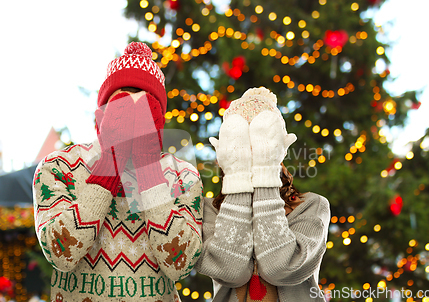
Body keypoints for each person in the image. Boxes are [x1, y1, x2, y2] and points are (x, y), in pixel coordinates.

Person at [32, 42, 204, 302]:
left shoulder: (182, 175)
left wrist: (148, 173)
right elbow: (60, 254)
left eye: (146, 105)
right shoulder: (59, 167)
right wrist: (108, 168)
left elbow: (180, 265)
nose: (134, 117)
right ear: (100, 116)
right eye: (123, 102)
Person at [195, 87, 330, 302]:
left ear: (280, 147)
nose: (251, 151)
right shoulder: (209, 211)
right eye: (240, 142)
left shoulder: (311, 206)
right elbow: (231, 271)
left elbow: (281, 267)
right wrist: (238, 179)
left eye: (261, 142)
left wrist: (265, 174)